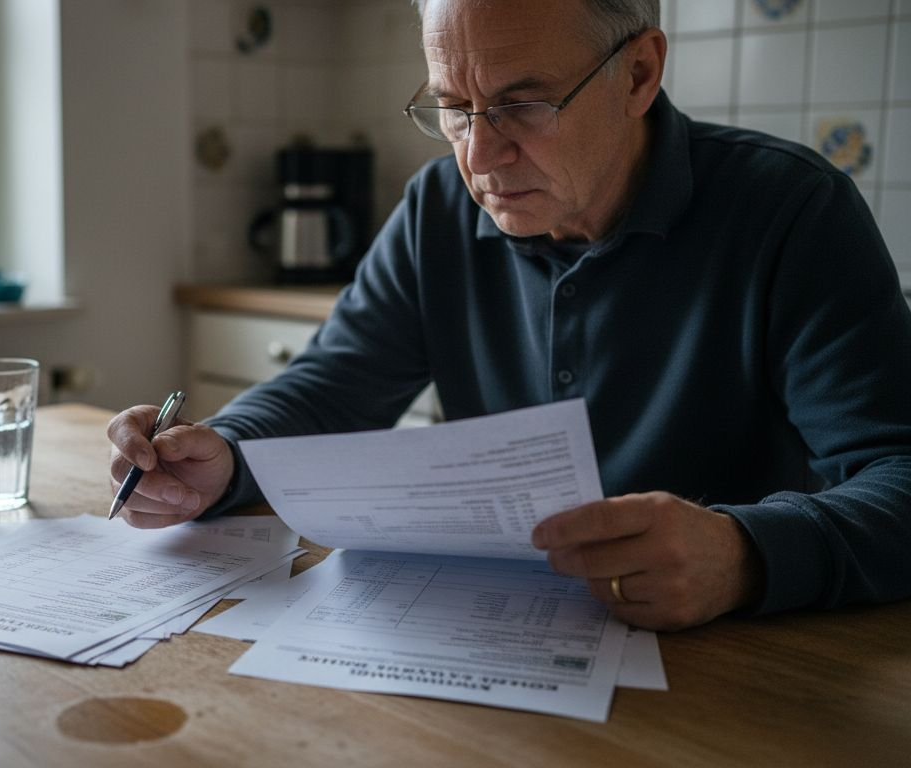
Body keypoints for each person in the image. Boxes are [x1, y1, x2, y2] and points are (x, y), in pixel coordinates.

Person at [107, 0, 911, 631]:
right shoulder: (438, 210)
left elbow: (899, 480)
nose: (478, 158)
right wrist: (229, 452)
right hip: (498, 646)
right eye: (453, 107)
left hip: (746, 669)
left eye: (524, 104)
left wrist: (744, 556)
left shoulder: (793, 213)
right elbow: (334, 383)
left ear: (639, 72)